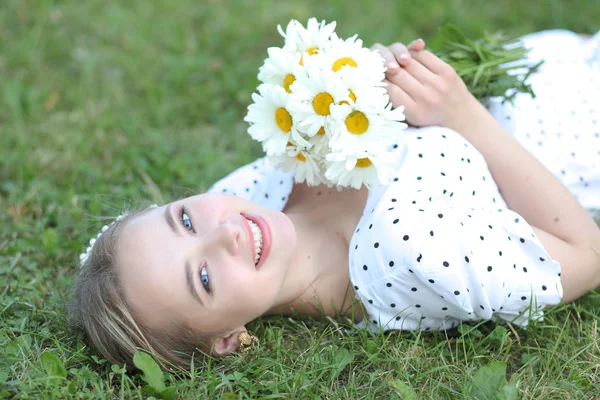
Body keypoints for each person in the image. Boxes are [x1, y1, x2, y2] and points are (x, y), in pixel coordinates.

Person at [71, 29, 600, 370]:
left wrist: (382, 77)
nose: (224, 233)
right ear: (228, 339)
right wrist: (462, 117)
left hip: (549, 63)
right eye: (203, 279)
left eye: (183, 220)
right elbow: (587, 253)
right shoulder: (409, 254)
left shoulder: (242, 194)